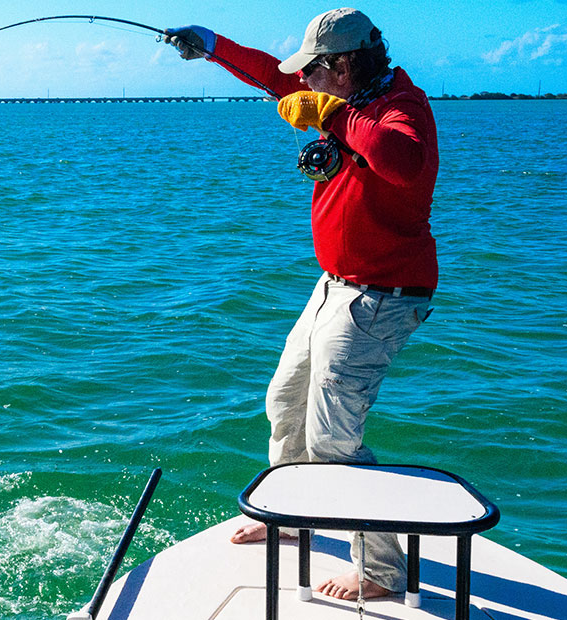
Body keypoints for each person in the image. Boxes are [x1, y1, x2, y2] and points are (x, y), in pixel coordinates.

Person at [164, 8, 439, 601]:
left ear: (343, 67)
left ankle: (381, 570)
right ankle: (289, 515)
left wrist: (335, 115)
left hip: (382, 296)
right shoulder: (338, 95)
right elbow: (271, 75)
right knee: (285, 400)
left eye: (314, 73)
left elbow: (405, 160)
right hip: (335, 286)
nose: (305, 83)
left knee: (334, 437)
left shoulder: (400, 107)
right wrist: (211, 44)